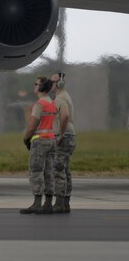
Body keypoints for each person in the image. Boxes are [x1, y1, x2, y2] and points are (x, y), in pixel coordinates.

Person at [20, 76, 57, 215]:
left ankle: (37, 203)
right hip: (51, 140)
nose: (34, 86)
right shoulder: (52, 103)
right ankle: (48, 204)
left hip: (40, 141)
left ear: (41, 87)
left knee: (36, 172)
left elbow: (32, 125)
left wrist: (26, 138)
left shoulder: (39, 104)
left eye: (36, 84)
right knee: (49, 172)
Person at [50, 72, 76, 213]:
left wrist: (60, 134)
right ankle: (65, 202)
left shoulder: (60, 98)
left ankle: (60, 203)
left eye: (52, 82)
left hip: (65, 137)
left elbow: (65, 115)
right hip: (70, 135)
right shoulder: (65, 96)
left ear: (58, 84)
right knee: (65, 169)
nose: (50, 84)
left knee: (58, 169)